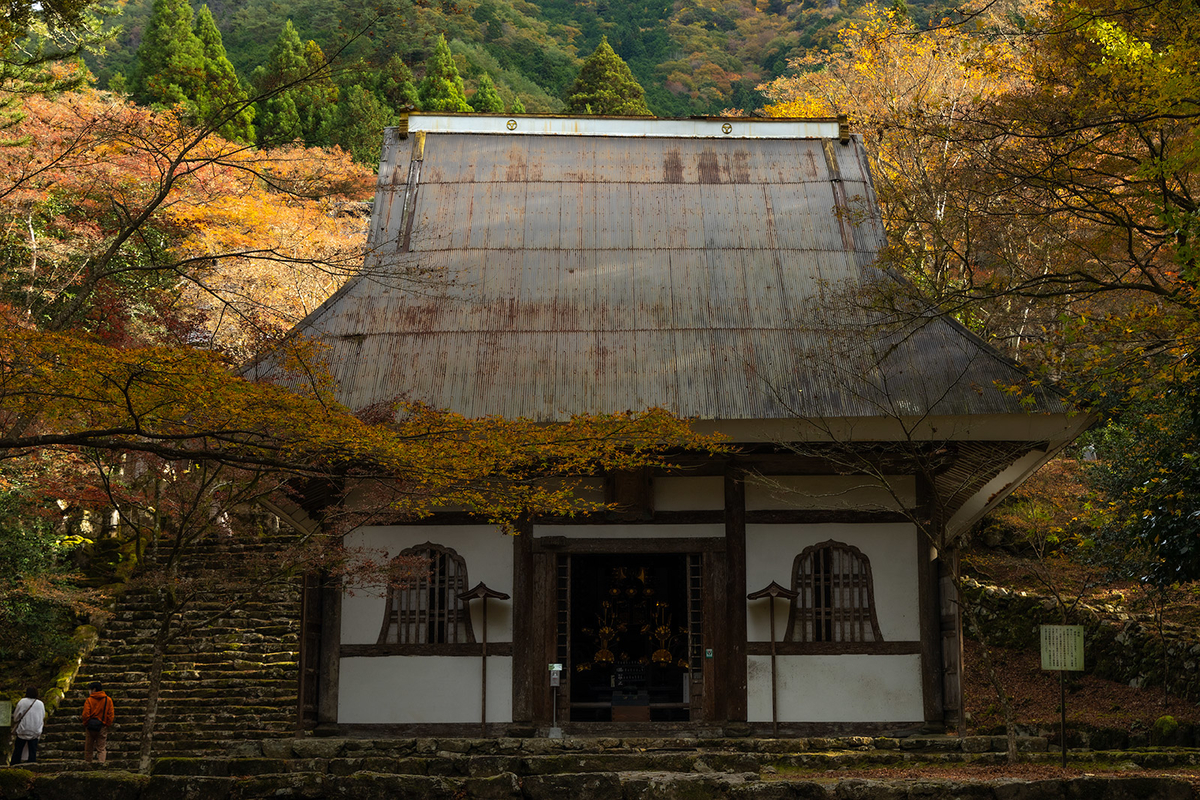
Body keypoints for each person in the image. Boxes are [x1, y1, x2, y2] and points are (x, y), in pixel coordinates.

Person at [80, 682, 114, 764]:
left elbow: (85, 714)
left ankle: (88, 764)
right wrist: (106, 724)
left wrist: (86, 723)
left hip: (90, 726)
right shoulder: (108, 700)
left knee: (88, 747)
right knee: (101, 748)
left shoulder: (89, 700)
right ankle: (101, 764)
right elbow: (110, 714)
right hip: (102, 725)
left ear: (94, 690)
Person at [11, 687, 45, 764]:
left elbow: (16, 717)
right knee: (32, 751)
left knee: (18, 750)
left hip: (24, 729)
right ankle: (31, 765)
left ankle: (14, 765)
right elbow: (42, 716)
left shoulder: (22, 702)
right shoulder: (40, 703)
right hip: (35, 730)